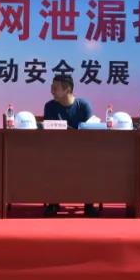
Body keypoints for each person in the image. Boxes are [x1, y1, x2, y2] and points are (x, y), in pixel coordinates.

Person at [42, 75, 99, 217]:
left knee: (91, 161)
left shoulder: (83, 105)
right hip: (57, 150)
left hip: (82, 151)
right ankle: (53, 203)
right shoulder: (50, 106)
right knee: (50, 160)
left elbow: (90, 131)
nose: (52, 91)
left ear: (67, 89)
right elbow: (49, 131)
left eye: (55, 88)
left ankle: (89, 204)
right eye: (51, 87)